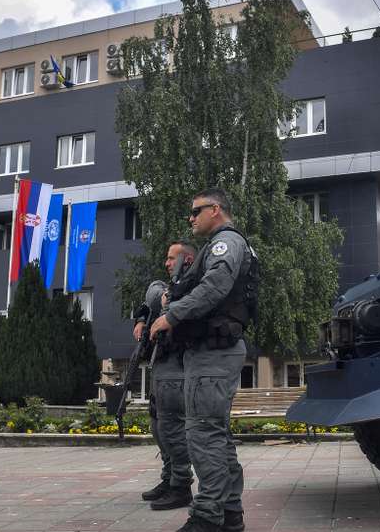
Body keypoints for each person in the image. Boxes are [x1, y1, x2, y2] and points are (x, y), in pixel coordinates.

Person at [150, 188, 258, 532]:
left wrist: (173, 315)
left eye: (196, 211)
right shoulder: (222, 244)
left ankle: (207, 517)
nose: (191, 218)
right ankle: (228, 514)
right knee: (215, 436)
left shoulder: (226, 243)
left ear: (215, 209)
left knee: (203, 436)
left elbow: (215, 286)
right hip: (211, 352)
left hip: (214, 353)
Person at [138, 241, 198, 510]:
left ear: (188, 259)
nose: (167, 262)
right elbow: (149, 299)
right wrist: (141, 319)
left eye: (172, 258)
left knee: (172, 428)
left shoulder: (195, 287)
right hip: (160, 364)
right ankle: (169, 478)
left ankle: (181, 484)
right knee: (158, 427)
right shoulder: (168, 289)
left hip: (178, 365)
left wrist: (170, 303)